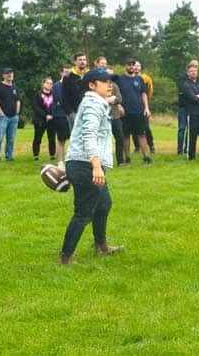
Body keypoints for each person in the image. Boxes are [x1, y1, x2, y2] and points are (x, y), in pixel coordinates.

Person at [58, 69, 123, 265]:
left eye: (110, 81)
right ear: (92, 86)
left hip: (86, 164)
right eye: (104, 81)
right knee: (84, 212)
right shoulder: (93, 105)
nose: (109, 84)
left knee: (103, 204)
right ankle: (65, 258)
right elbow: (89, 136)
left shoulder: (98, 103)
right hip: (85, 164)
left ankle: (101, 246)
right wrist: (96, 166)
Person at [119, 58, 153, 164]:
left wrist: (146, 108)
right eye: (129, 65)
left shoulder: (139, 79)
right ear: (125, 66)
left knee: (142, 135)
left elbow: (144, 94)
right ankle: (127, 158)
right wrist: (119, 106)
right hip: (125, 112)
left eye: (133, 65)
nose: (131, 67)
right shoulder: (120, 79)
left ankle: (146, 157)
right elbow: (115, 93)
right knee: (126, 136)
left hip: (139, 111)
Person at [94, 57, 126, 165]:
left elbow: (120, 99)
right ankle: (101, 161)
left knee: (120, 138)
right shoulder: (97, 86)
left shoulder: (115, 86)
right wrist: (105, 100)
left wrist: (112, 100)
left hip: (115, 116)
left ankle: (120, 161)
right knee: (101, 139)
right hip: (102, 116)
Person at [0, 67, 21, 162]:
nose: (10, 75)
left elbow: (18, 100)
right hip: (2, 117)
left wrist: (17, 113)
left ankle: (9, 156)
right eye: (8, 73)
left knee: (11, 139)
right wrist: (1, 113)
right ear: (3, 75)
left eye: (11, 73)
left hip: (13, 117)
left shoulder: (15, 88)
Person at [31, 77, 57, 162]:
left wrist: (52, 115)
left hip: (52, 120)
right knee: (38, 138)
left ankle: (52, 154)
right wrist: (45, 115)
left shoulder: (54, 94)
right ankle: (36, 155)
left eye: (51, 83)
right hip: (40, 120)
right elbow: (36, 107)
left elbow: (55, 105)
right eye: (48, 83)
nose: (49, 85)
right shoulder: (38, 94)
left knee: (52, 138)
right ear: (43, 84)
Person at [52, 64, 73, 168]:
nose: (67, 73)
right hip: (60, 115)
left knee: (73, 139)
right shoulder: (56, 86)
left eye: (69, 71)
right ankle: (60, 162)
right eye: (65, 71)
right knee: (61, 139)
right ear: (61, 72)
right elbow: (60, 100)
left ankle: (71, 160)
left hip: (72, 115)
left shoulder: (73, 84)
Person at [134, 61, 156, 154]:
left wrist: (146, 103)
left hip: (143, 104)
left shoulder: (146, 78)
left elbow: (150, 91)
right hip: (133, 105)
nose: (136, 67)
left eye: (138, 65)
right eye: (135, 65)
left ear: (140, 67)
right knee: (134, 127)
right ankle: (137, 147)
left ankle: (151, 145)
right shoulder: (129, 78)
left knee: (146, 127)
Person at [62, 52, 88, 129]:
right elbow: (64, 96)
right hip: (74, 112)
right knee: (75, 137)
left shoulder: (90, 75)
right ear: (75, 62)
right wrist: (70, 112)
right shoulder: (68, 77)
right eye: (80, 60)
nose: (82, 62)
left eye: (84, 59)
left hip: (88, 110)